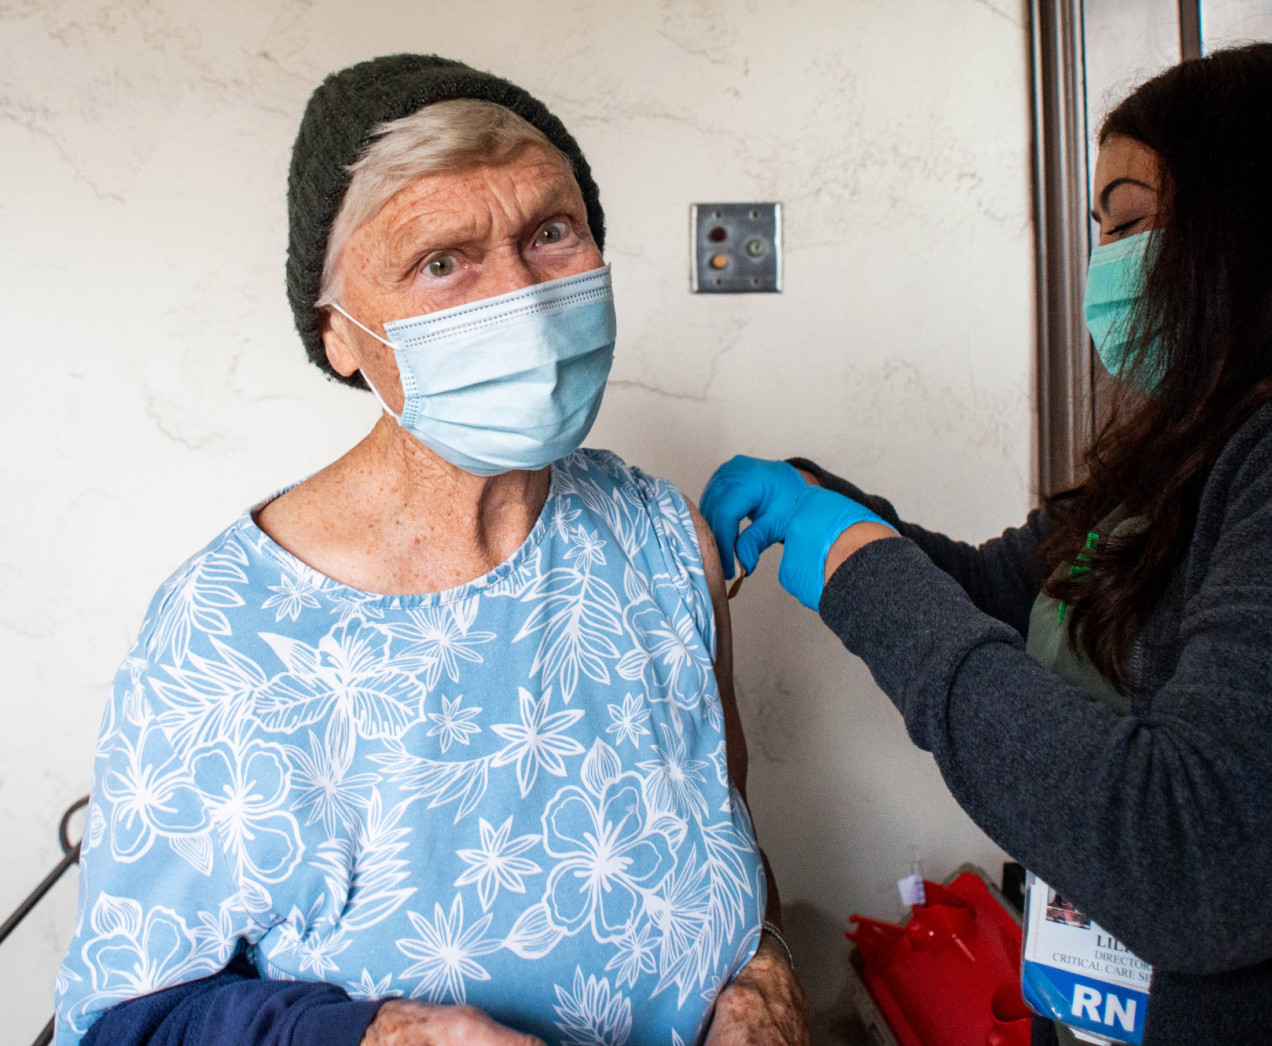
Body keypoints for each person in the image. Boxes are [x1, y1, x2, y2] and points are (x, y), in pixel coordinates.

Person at [701, 43, 1272, 1044]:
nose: (1106, 263)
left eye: (1130, 224)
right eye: (1100, 230)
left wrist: (857, 566)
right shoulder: (1207, 449)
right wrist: (827, 505)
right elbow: (1010, 591)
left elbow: (1185, 857)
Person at [55, 55, 808, 1046]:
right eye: (443, 260)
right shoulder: (224, 634)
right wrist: (384, 1034)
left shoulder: (664, 537)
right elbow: (123, 1021)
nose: (525, 300)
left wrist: (764, 979)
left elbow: (730, 845)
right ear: (339, 335)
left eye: (550, 232)